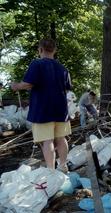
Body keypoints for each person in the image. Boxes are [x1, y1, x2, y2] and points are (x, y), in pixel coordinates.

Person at [11, 38, 71, 172]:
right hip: (61, 110)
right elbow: (66, 88)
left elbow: (28, 84)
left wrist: (16, 86)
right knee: (61, 139)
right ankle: (63, 166)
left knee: (47, 140)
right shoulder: (63, 68)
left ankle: (51, 170)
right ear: (55, 50)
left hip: (42, 110)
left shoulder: (36, 64)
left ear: (40, 50)